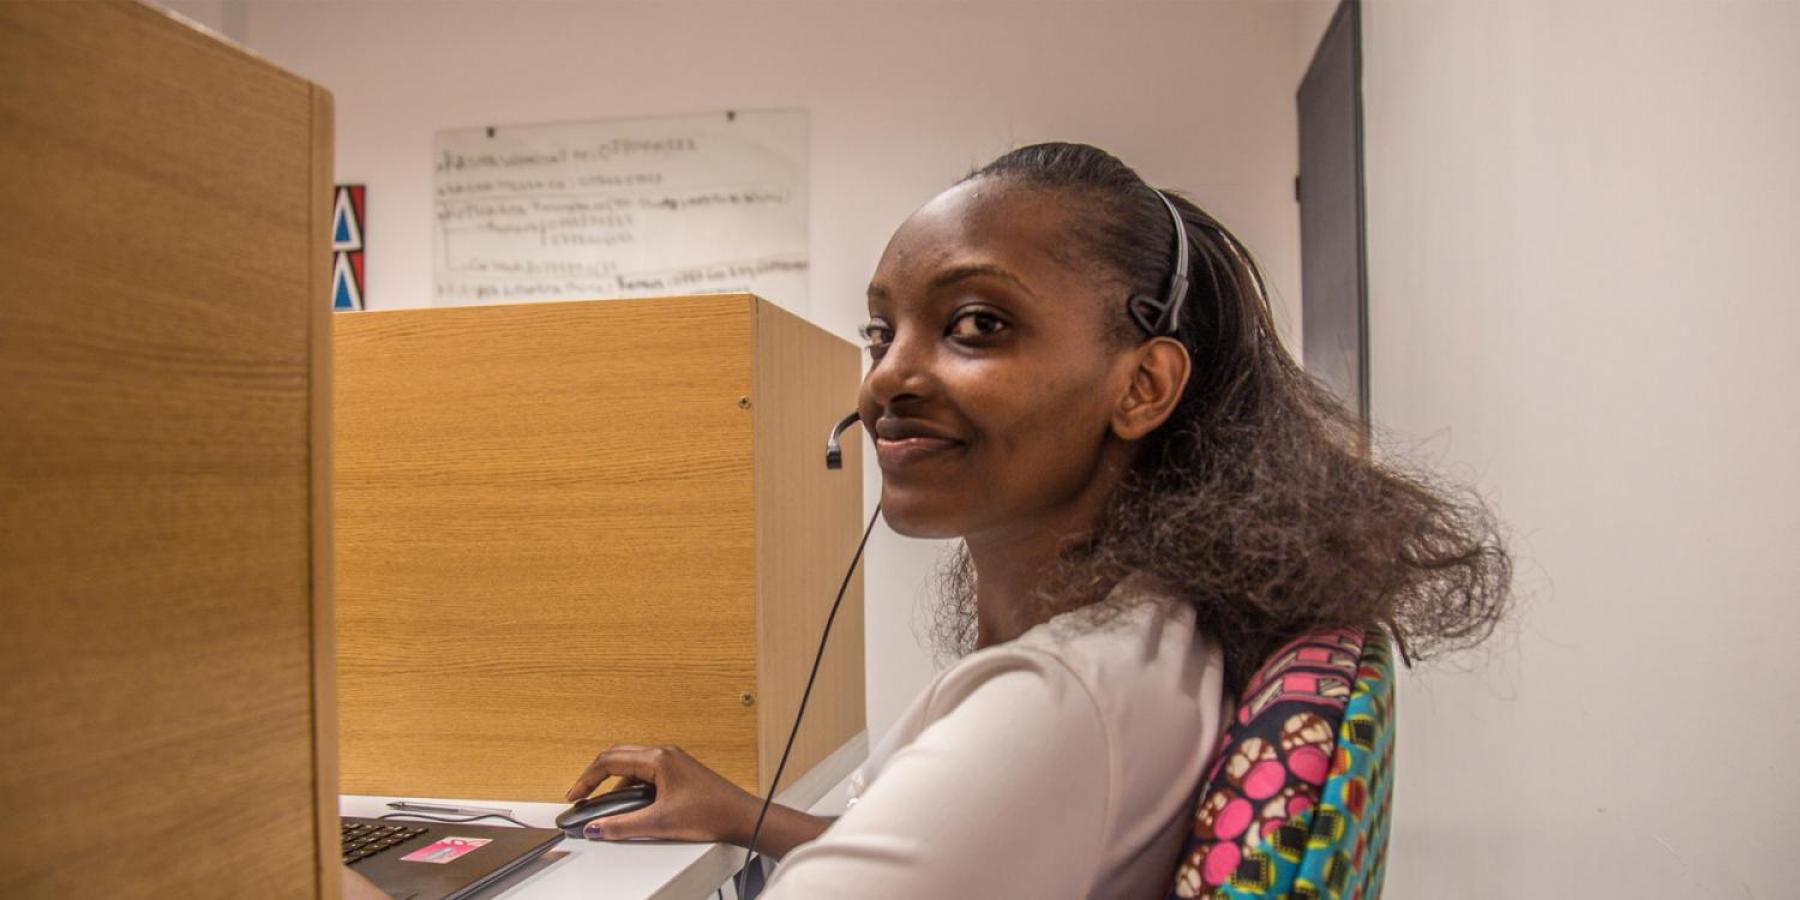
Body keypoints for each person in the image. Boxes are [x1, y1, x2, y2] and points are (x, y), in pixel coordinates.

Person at [564, 142, 1510, 898]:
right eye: (881, 332)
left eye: (978, 324)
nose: (887, 377)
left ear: (1143, 385)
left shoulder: (1062, 703)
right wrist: (744, 815)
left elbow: (1016, 787)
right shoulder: (1144, 638)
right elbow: (973, 846)